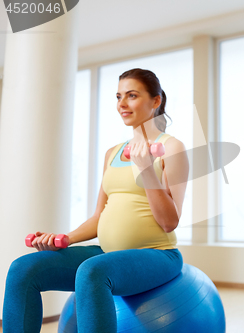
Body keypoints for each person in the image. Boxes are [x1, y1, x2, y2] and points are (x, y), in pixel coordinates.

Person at [3, 68, 189, 333]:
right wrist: (64, 239)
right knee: (23, 269)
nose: (122, 104)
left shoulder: (172, 148)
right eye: (118, 96)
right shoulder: (112, 152)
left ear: (155, 101)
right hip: (106, 254)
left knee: (93, 272)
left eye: (132, 95)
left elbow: (170, 221)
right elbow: (99, 216)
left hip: (157, 255)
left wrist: (147, 169)